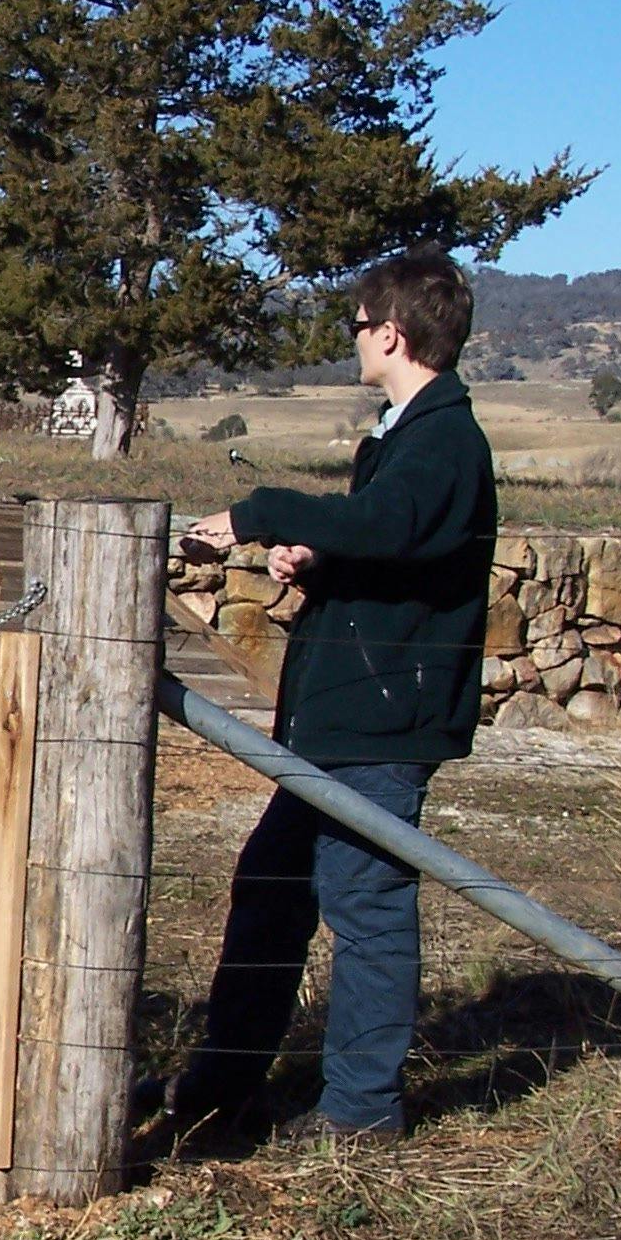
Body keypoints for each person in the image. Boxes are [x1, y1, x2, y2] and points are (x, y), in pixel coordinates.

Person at [158, 247, 498, 1146]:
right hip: (338, 718)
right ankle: (218, 1087)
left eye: (357, 324)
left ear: (391, 332)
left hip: (383, 723)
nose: (352, 339)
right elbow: (391, 546)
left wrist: (268, 509)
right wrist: (318, 556)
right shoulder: (399, 436)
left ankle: (360, 1113)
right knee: (271, 889)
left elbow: (394, 527)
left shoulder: (445, 439)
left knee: (366, 909)